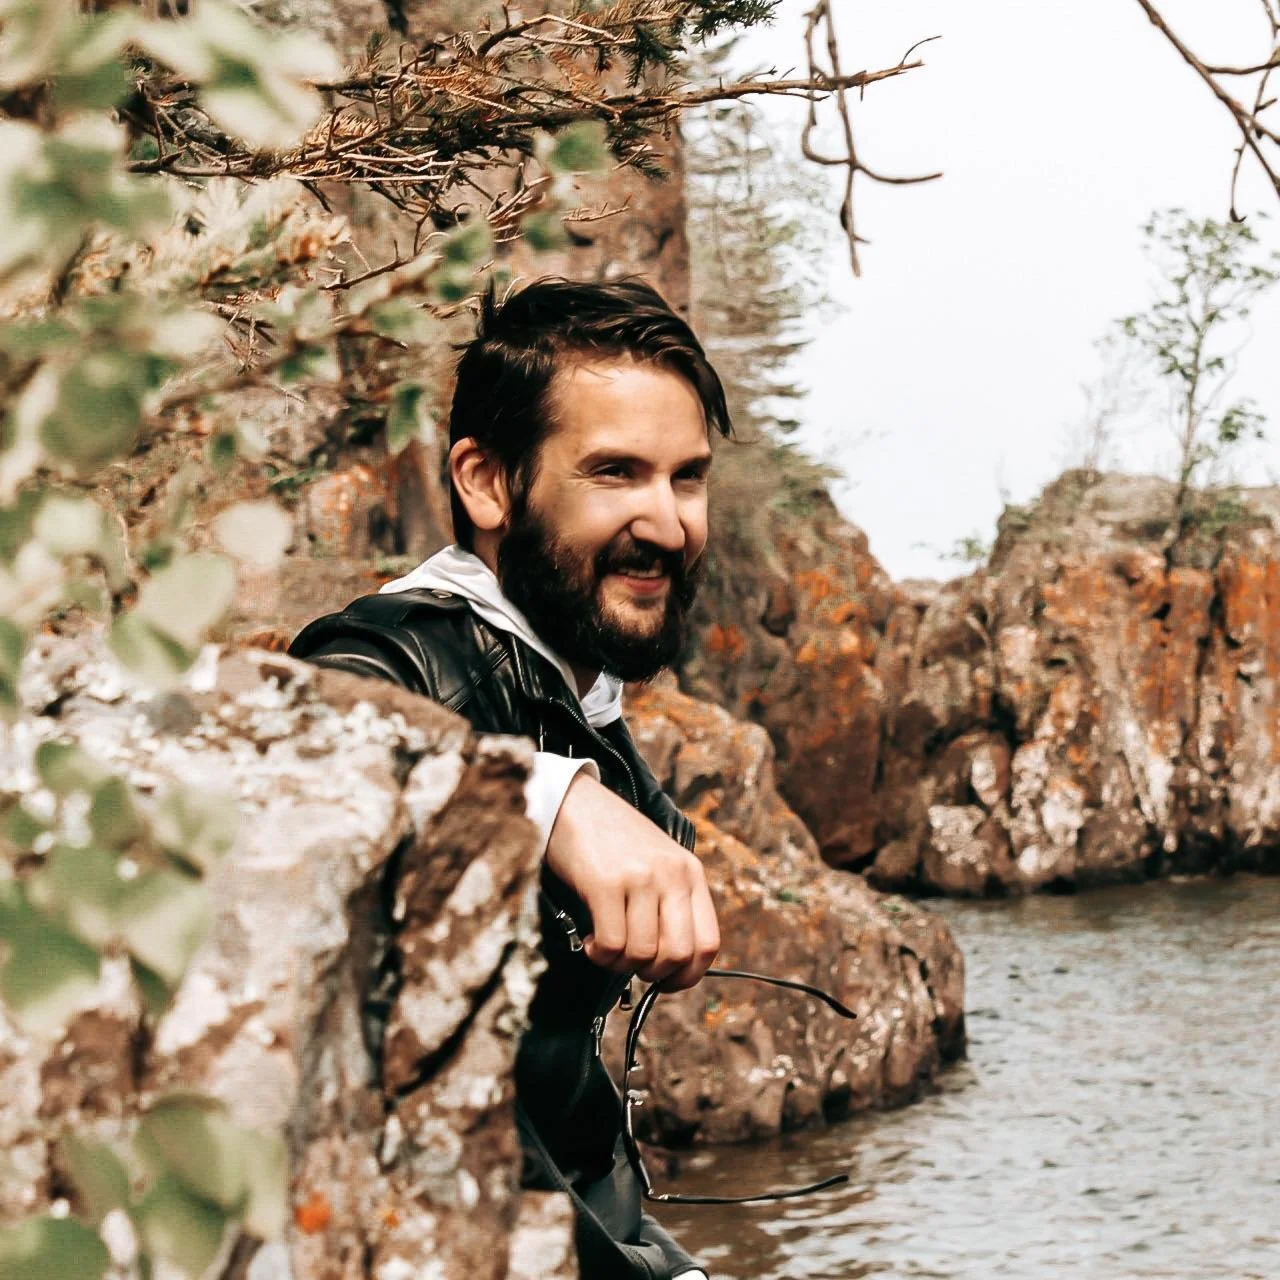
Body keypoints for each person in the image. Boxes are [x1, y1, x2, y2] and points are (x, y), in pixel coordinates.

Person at [289, 277, 731, 1280]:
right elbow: (298, 732)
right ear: (487, 483)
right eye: (614, 472)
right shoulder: (403, 649)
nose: (665, 522)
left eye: (687, 478)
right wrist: (538, 794)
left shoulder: (583, 686)